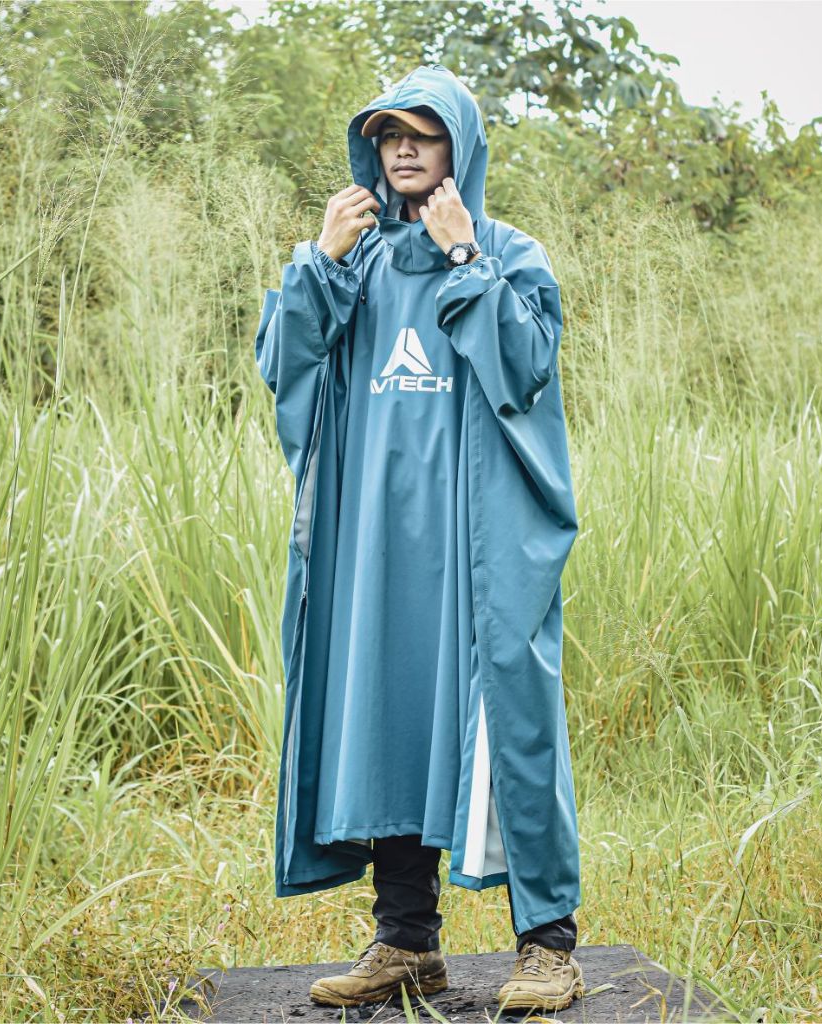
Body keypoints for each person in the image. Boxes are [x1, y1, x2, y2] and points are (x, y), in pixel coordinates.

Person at [254, 64, 584, 1014]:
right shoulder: (350, 259)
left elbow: (524, 368)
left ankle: (549, 947)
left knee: (515, 726)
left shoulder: (508, 250)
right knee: (388, 723)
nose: (403, 147)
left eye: (424, 132)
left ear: (459, 148)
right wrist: (318, 260)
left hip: (480, 548)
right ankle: (406, 944)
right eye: (388, 133)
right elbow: (283, 365)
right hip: (374, 551)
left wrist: (465, 256)